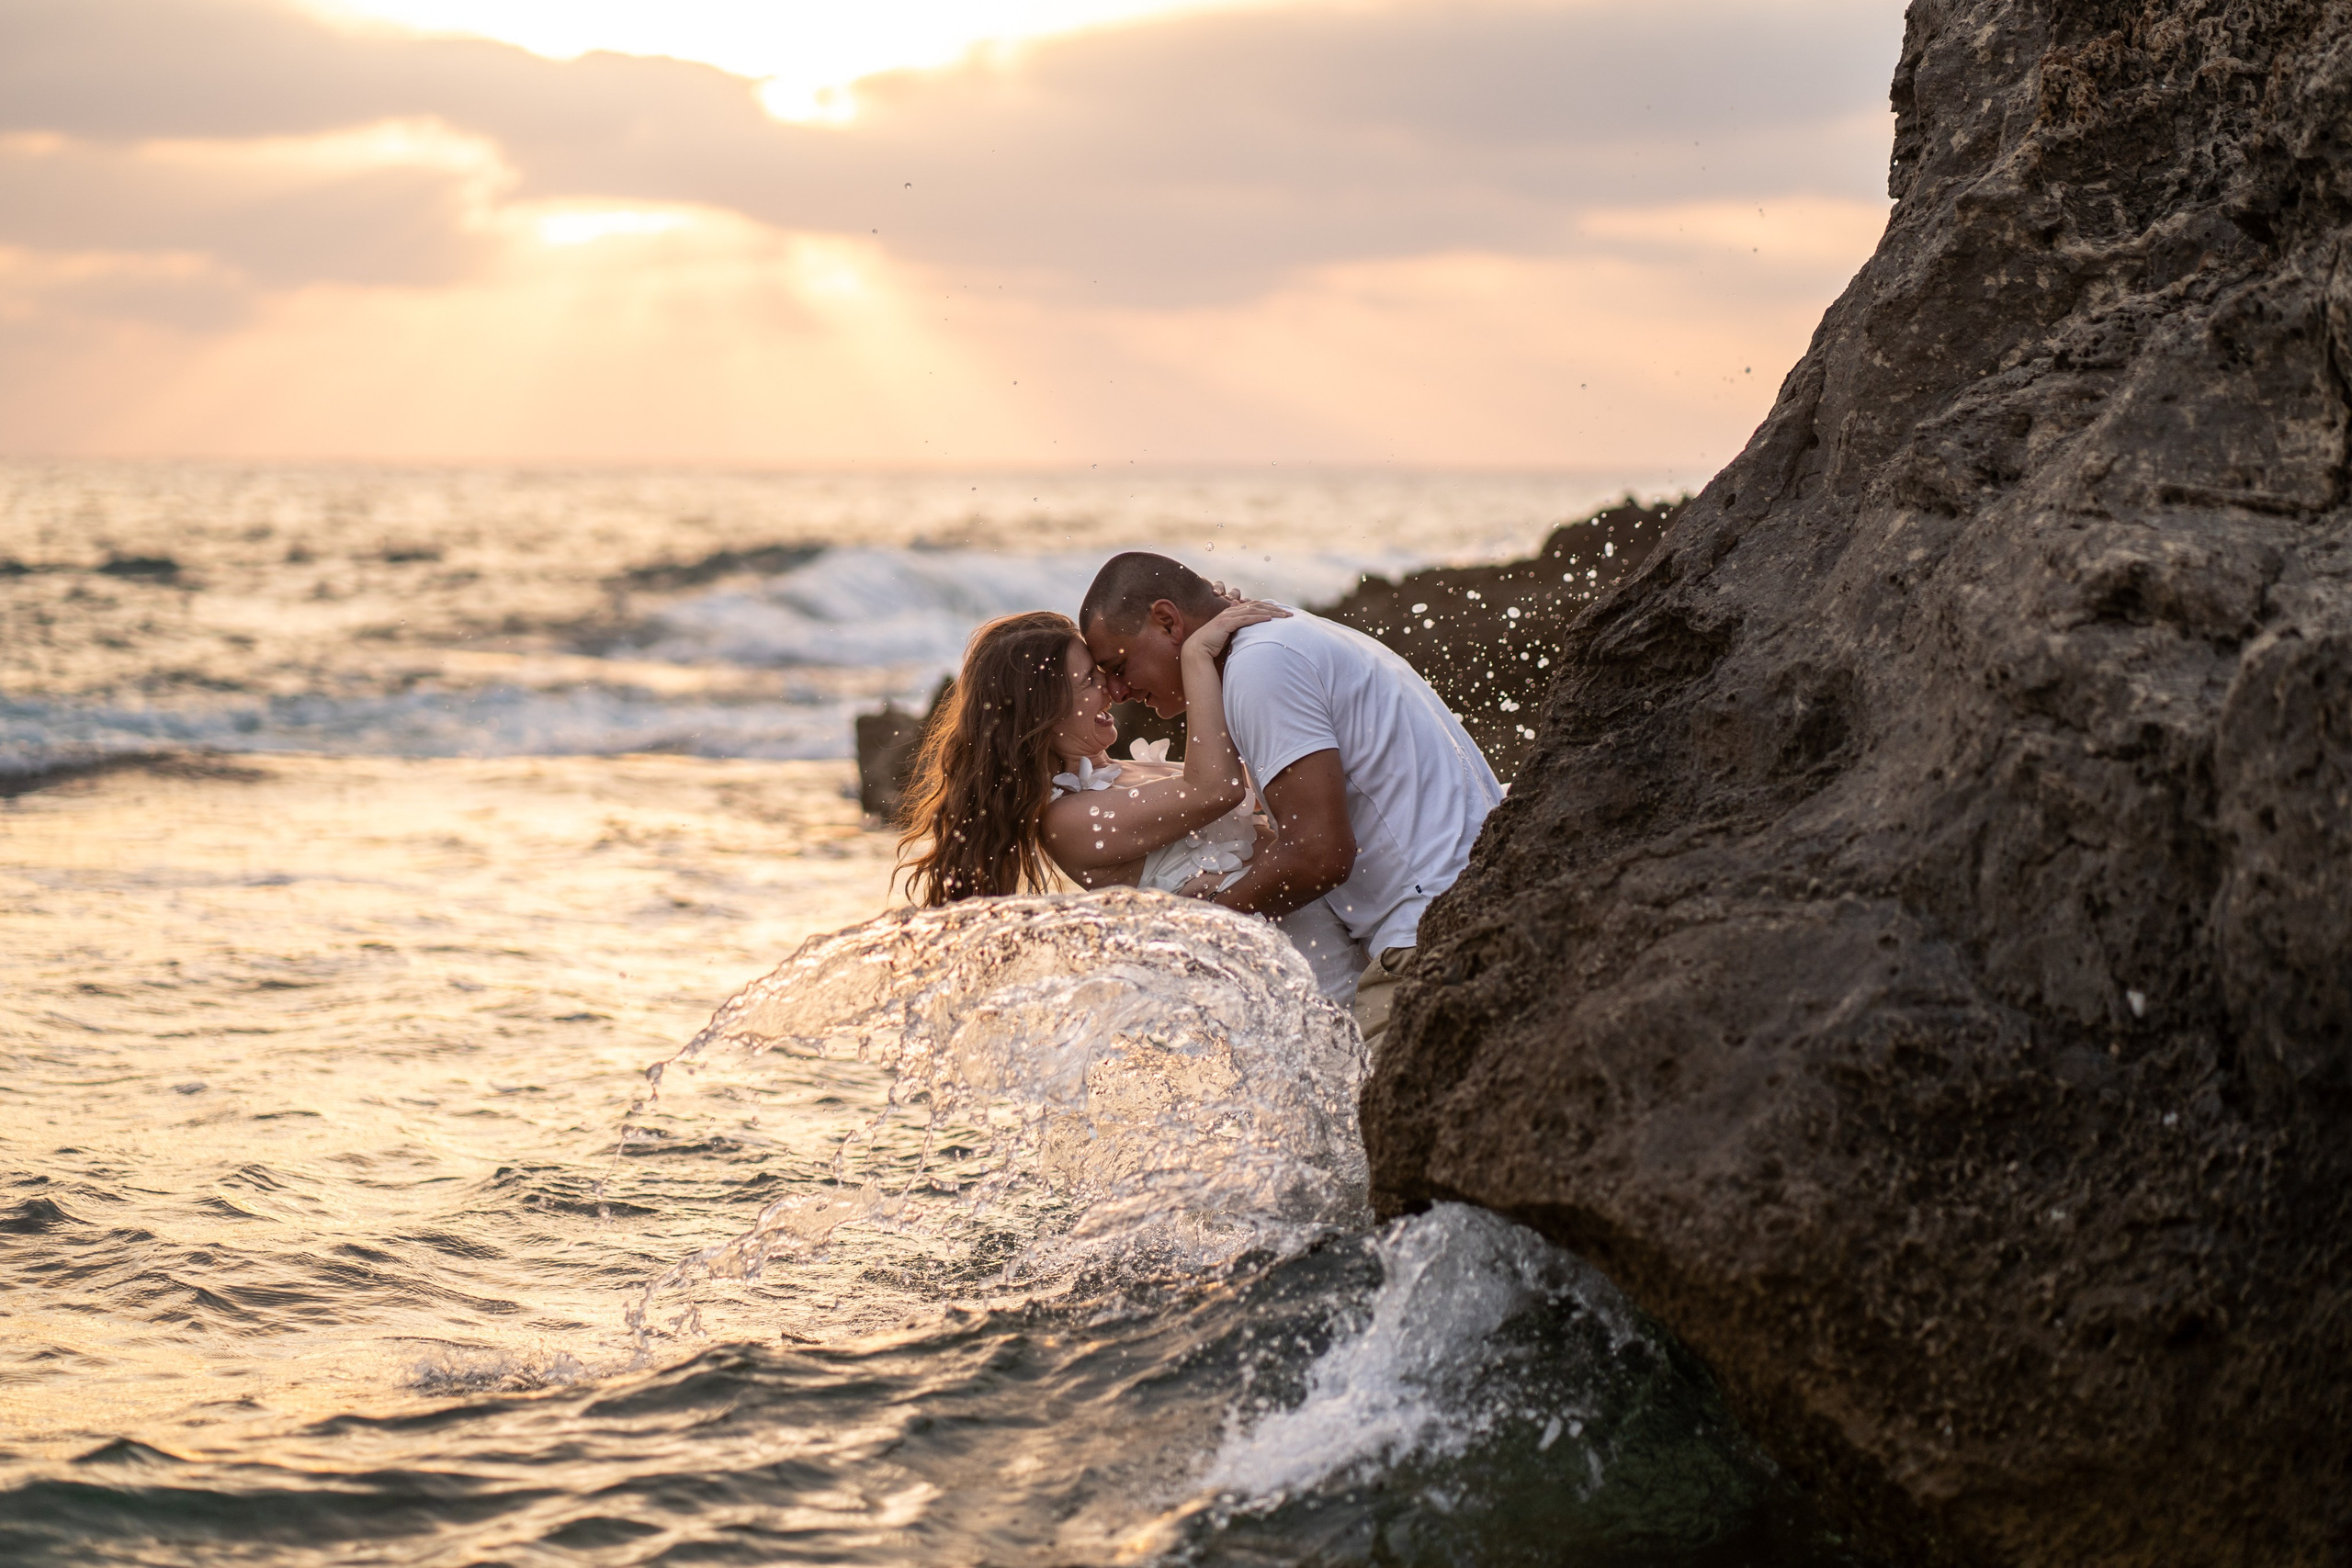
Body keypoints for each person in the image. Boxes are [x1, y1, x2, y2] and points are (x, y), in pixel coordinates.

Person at [1080, 552, 1501, 1049]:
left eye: (1119, 666)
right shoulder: (1278, 636)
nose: (1118, 692)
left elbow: (1317, 854)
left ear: (1168, 620)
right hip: (1464, 903)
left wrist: (1208, 920)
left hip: (1430, 938)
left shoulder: (1262, 667)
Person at [895, 602, 1287, 906]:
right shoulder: (1065, 822)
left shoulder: (1128, 770)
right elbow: (1218, 790)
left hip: (1320, 913)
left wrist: (1213, 627)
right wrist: (1197, 653)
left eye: (1105, 673)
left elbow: (1270, 783)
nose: (1114, 691)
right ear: (1043, 715)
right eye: (1089, 682)